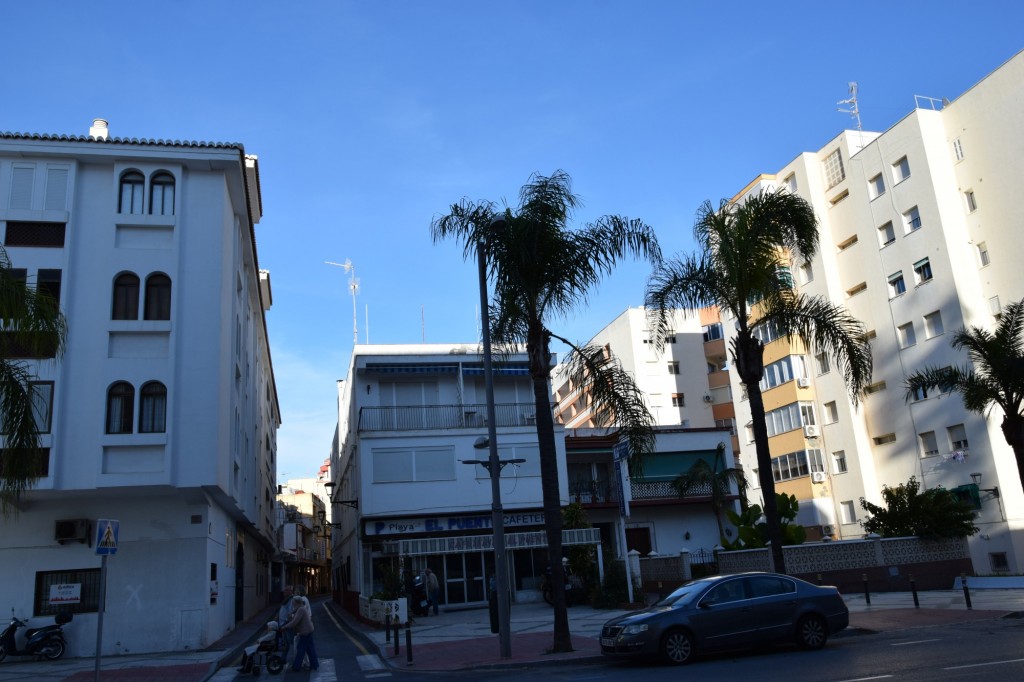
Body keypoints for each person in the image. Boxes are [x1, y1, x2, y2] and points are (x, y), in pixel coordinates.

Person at [283, 594, 318, 672]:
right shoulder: (298, 609)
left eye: (293, 602)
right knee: (310, 649)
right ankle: (314, 665)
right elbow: (293, 617)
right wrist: (290, 617)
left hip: (306, 631)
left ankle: (296, 667)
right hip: (309, 630)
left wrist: (285, 626)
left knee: (300, 648)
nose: (292, 603)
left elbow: (295, 622)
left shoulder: (301, 609)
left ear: (297, 602)